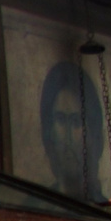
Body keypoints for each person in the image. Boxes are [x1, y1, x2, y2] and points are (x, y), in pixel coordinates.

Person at [38, 61, 105, 204]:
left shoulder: (104, 210)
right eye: (61, 120)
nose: (68, 136)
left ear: (92, 134)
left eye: (76, 121)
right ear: (49, 130)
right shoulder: (36, 206)